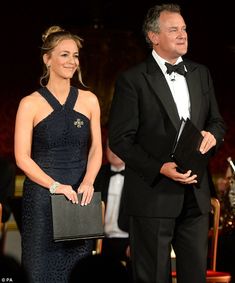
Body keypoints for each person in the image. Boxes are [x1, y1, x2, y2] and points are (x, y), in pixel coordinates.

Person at [108, 3, 226, 283]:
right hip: (153, 197)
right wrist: (160, 167)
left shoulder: (201, 73)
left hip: (196, 197)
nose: (182, 34)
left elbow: (217, 123)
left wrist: (213, 136)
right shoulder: (133, 79)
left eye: (184, 28)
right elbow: (120, 140)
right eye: (173, 29)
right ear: (153, 36)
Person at [14, 25, 102, 282]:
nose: (72, 61)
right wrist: (55, 186)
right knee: (39, 272)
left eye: (75, 55)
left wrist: (88, 181)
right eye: (64, 55)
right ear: (47, 59)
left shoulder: (90, 100)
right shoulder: (29, 103)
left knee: (78, 272)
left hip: (78, 201)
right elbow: (22, 157)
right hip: (42, 200)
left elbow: (96, 148)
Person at [94, 142, 131, 273]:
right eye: (110, 146)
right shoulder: (97, 174)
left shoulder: (138, 177)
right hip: (103, 241)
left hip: (128, 241)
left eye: (118, 145)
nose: (114, 151)